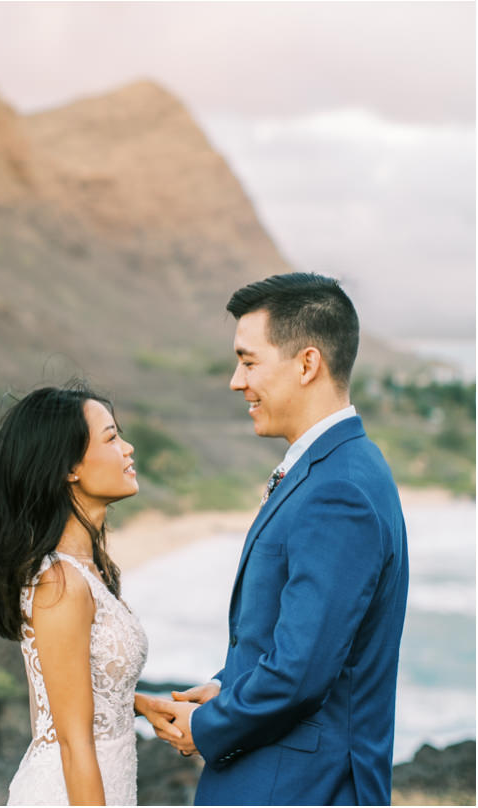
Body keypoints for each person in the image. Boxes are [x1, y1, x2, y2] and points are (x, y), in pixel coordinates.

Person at [155, 273, 409, 805]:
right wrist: (230, 684)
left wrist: (206, 727)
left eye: (248, 362)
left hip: (299, 789)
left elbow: (301, 671)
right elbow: (301, 641)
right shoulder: (339, 468)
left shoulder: (339, 490)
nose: (235, 380)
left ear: (307, 363)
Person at [0, 384, 181, 806]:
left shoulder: (85, 570)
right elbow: (71, 741)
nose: (128, 448)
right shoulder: (60, 583)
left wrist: (136, 704)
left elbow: (70, 692)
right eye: (112, 437)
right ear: (69, 468)